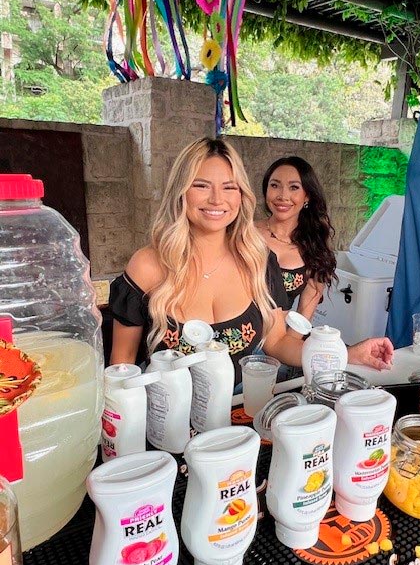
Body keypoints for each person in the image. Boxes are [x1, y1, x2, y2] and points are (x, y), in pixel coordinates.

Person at [109, 137, 393, 387]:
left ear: (241, 195)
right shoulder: (148, 265)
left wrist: (346, 354)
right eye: (201, 185)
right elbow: (121, 365)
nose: (217, 199)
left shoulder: (258, 261)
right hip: (163, 415)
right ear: (181, 191)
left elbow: (278, 343)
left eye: (229, 187)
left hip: (238, 408)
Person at [256, 156, 335, 321]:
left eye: (294, 187)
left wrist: (289, 337)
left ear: (307, 196)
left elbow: (303, 318)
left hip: (281, 334)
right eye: (275, 185)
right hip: (234, 335)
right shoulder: (244, 234)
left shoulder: (314, 247)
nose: (283, 196)